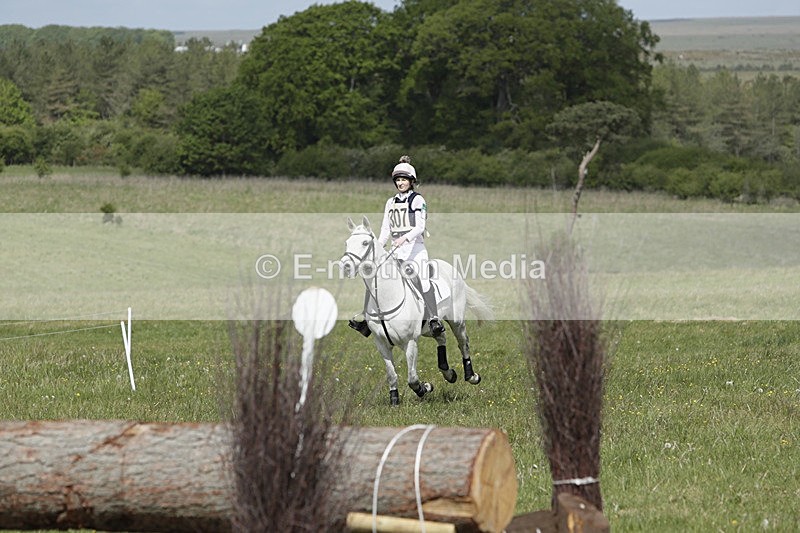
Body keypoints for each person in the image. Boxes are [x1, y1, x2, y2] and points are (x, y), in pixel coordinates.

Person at [350, 155, 445, 337]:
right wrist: (377, 247)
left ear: (411, 181)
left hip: (415, 250)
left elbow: (420, 226)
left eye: (404, 180)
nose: (401, 183)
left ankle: (433, 319)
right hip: (395, 251)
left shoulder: (418, 200)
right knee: (375, 277)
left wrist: (405, 238)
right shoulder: (390, 202)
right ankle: (366, 319)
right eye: (398, 180)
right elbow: (386, 228)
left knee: (423, 280)